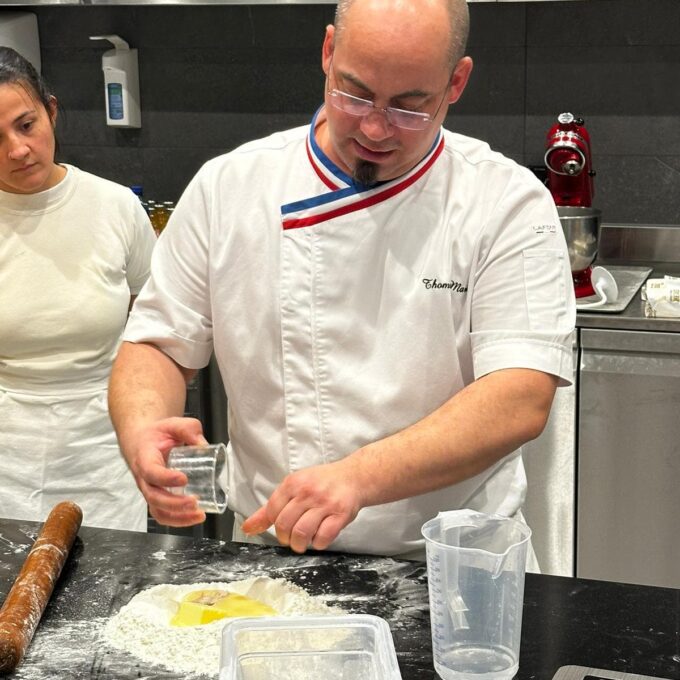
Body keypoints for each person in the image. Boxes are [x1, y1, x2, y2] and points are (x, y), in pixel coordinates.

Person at [109, 0, 576, 559]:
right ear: (329, 53)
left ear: (456, 83)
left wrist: (359, 476)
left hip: (454, 561)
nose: (376, 127)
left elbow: (519, 398)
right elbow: (157, 343)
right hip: (273, 550)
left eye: (410, 106)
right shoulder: (228, 188)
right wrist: (143, 429)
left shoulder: (504, 202)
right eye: (355, 94)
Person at [0, 47, 156, 532]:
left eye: (26, 125)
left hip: (103, 450)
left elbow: (156, 315)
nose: (17, 150)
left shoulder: (114, 207)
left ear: (51, 109)